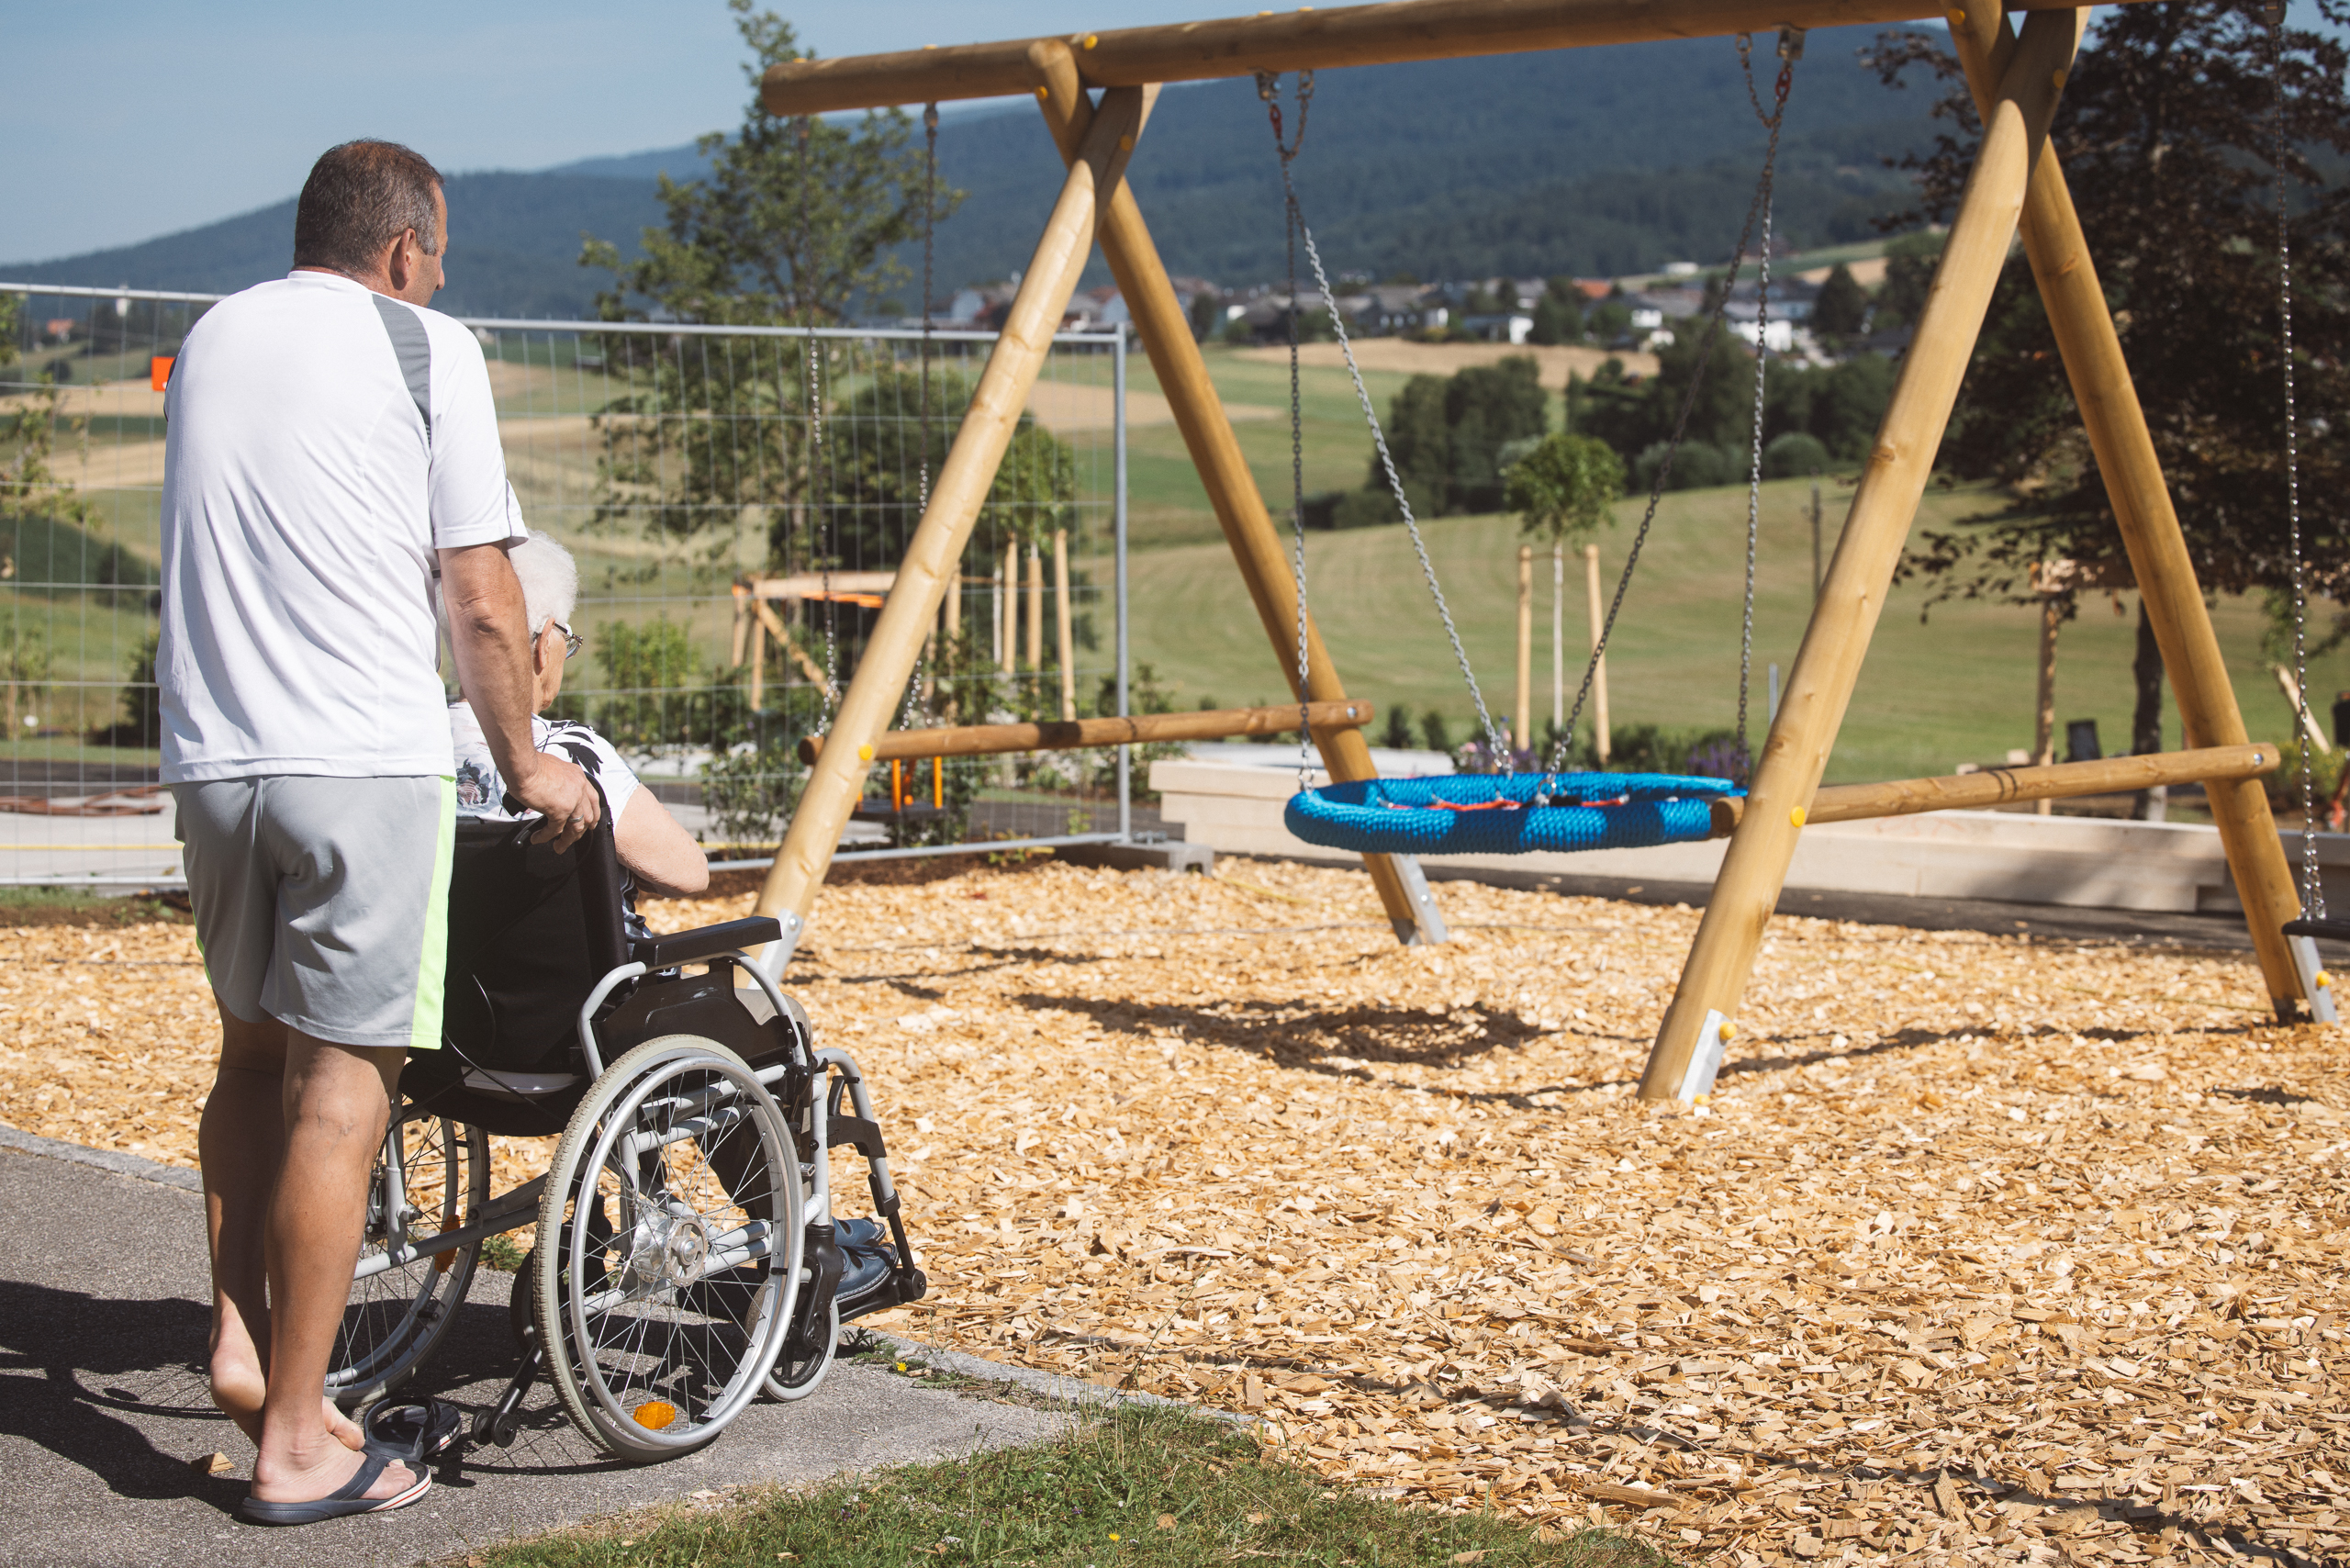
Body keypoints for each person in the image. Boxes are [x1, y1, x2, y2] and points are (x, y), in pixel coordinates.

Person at [162, 140, 599, 1525]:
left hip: (215, 759)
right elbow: (480, 590)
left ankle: (242, 1341)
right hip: (360, 764)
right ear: (404, 249)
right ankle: (300, 1445)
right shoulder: (427, 345)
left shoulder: (214, 333)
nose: (443, 273)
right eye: (442, 252)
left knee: (247, 1063)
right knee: (343, 1092)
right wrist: (526, 761)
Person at [447, 529, 709, 900]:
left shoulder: (412, 744)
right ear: (542, 644)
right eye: (566, 640)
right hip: (594, 960)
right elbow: (688, 874)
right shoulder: (572, 751)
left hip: (452, 958)